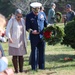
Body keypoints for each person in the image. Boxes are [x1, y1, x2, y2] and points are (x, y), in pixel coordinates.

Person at [26, 2, 48, 70]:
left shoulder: (42, 14)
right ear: (33, 9)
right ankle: (34, 67)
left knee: (42, 51)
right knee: (34, 52)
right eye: (35, 12)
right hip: (34, 37)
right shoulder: (29, 16)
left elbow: (46, 24)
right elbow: (27, 28)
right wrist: (32, 31)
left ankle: (41, 67)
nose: (36, 13)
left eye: (37, 12)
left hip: (42, 36)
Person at [6, 9, 27, 73]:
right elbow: (7, 30)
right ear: (15, 15)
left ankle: (21, 69)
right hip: (14, 40)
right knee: (15, 55)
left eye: (21, 16)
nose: (19, 18)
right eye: (18, 16)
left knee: (21, 55)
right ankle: (16, 70)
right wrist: (9, 37)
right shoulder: (11, 21)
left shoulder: (23, 21)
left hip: (21, 40)